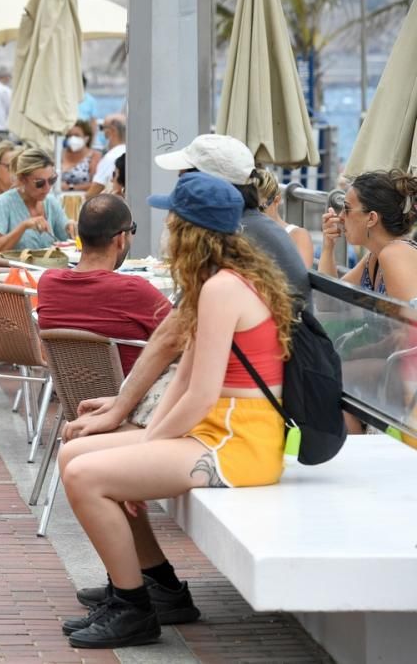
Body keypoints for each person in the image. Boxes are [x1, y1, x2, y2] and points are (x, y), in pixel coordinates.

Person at [58, 172, 294, 649]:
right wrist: (142, 442)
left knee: (86, 477)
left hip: (235, 443)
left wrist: (145, 448)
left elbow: (201, 394)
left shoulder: (222, 290)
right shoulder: (216, 282)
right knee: (74, 453)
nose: (164, 227)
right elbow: (184, 379)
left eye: (170, 218)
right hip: (219, 431)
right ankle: (159, 584)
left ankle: (133, 610)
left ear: (189, 229)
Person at [66, 134, 312, 441]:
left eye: (185, 177)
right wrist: (122, 402)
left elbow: (173, 336)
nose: (179, 185)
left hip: (246, 403)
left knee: (90, 446)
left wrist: (121, 408)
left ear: (207, 184)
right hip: (258, 387)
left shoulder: (228, 240)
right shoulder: (253, 230)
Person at [37, 194, 169, 376]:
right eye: (133, 229)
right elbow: (184, 335)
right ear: (121, 239)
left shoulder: (48, 283)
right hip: (129, 399)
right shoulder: (133, 291)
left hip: (73, 396)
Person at [319, 169, 417, 302]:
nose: (340, 216)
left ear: (371, 218)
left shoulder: (394, 254)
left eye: (347, 209)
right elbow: (328, 303)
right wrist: (328, 246)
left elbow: (409, 322)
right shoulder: (374, 259)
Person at [0, 148, 72, 255]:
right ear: (22, 179)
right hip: (14, 270)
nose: (48, 188)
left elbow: (66, 241)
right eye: (40, 183)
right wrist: (23, 227)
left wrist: (72, 229)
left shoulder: (50, 202)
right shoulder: (4, 203)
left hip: (45, 269)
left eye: (52, 180)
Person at [255, 167, 313, 268]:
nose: (253, 214)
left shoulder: (298, 235)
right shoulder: (243, 231)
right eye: (248, 208)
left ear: (276, 201)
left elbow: (300, 280)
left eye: (260, 208)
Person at [86, 113, 126, 200]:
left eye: (102, 128)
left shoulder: (111, 157)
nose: (102, 133)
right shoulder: (130, 153)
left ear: (112, 130)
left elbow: (95, 189)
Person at [61, 119, 102, 192]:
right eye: (70, 136)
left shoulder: (94, 156)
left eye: (77, 135)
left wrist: (71, 187)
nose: (73, 139)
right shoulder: (60, 154)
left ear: (86, 138)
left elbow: (97, 184)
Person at [77, 73, 99, 139]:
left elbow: (93, 122)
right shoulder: (67, 99)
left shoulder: (91, 101)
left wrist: (92, 140)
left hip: (84, 134)